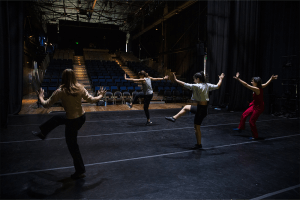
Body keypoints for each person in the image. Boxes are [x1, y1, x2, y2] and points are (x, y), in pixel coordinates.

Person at [33, 69, 107, 179]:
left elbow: (46, 104)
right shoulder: (80, 88)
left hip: (72, 121)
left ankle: (80, 170)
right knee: (57, 118)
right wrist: (101, 96)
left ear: (63, 78)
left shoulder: (60, 91)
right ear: (74, 77)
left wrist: (40, 97)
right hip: (81, 118)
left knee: (72, 146)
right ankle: (43, 132)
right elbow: (92, 100)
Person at [165, 71, 225, 149]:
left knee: (196, 128)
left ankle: (199, 144)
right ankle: (174, 118)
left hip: (201, 110)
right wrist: (221, 79)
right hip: (202, 108)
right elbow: (218, 86)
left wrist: (176, 80)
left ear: (198, 79)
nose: (194, 80)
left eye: (194, 79)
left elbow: (185, 84)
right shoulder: (207, 85)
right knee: (186, 107)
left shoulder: (197, 86)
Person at [233, 72, 278, 139]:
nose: (251, 82)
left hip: (259, 108)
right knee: (244, 114)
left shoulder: (256, 89)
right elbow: (266, 84)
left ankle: (255, 136)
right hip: (254, 105)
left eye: (252, 81)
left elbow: (246, 85)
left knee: (251, 121)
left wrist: (238, 79)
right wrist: (271, 78)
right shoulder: (260, 86)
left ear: (256, 82)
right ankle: (240, 128)